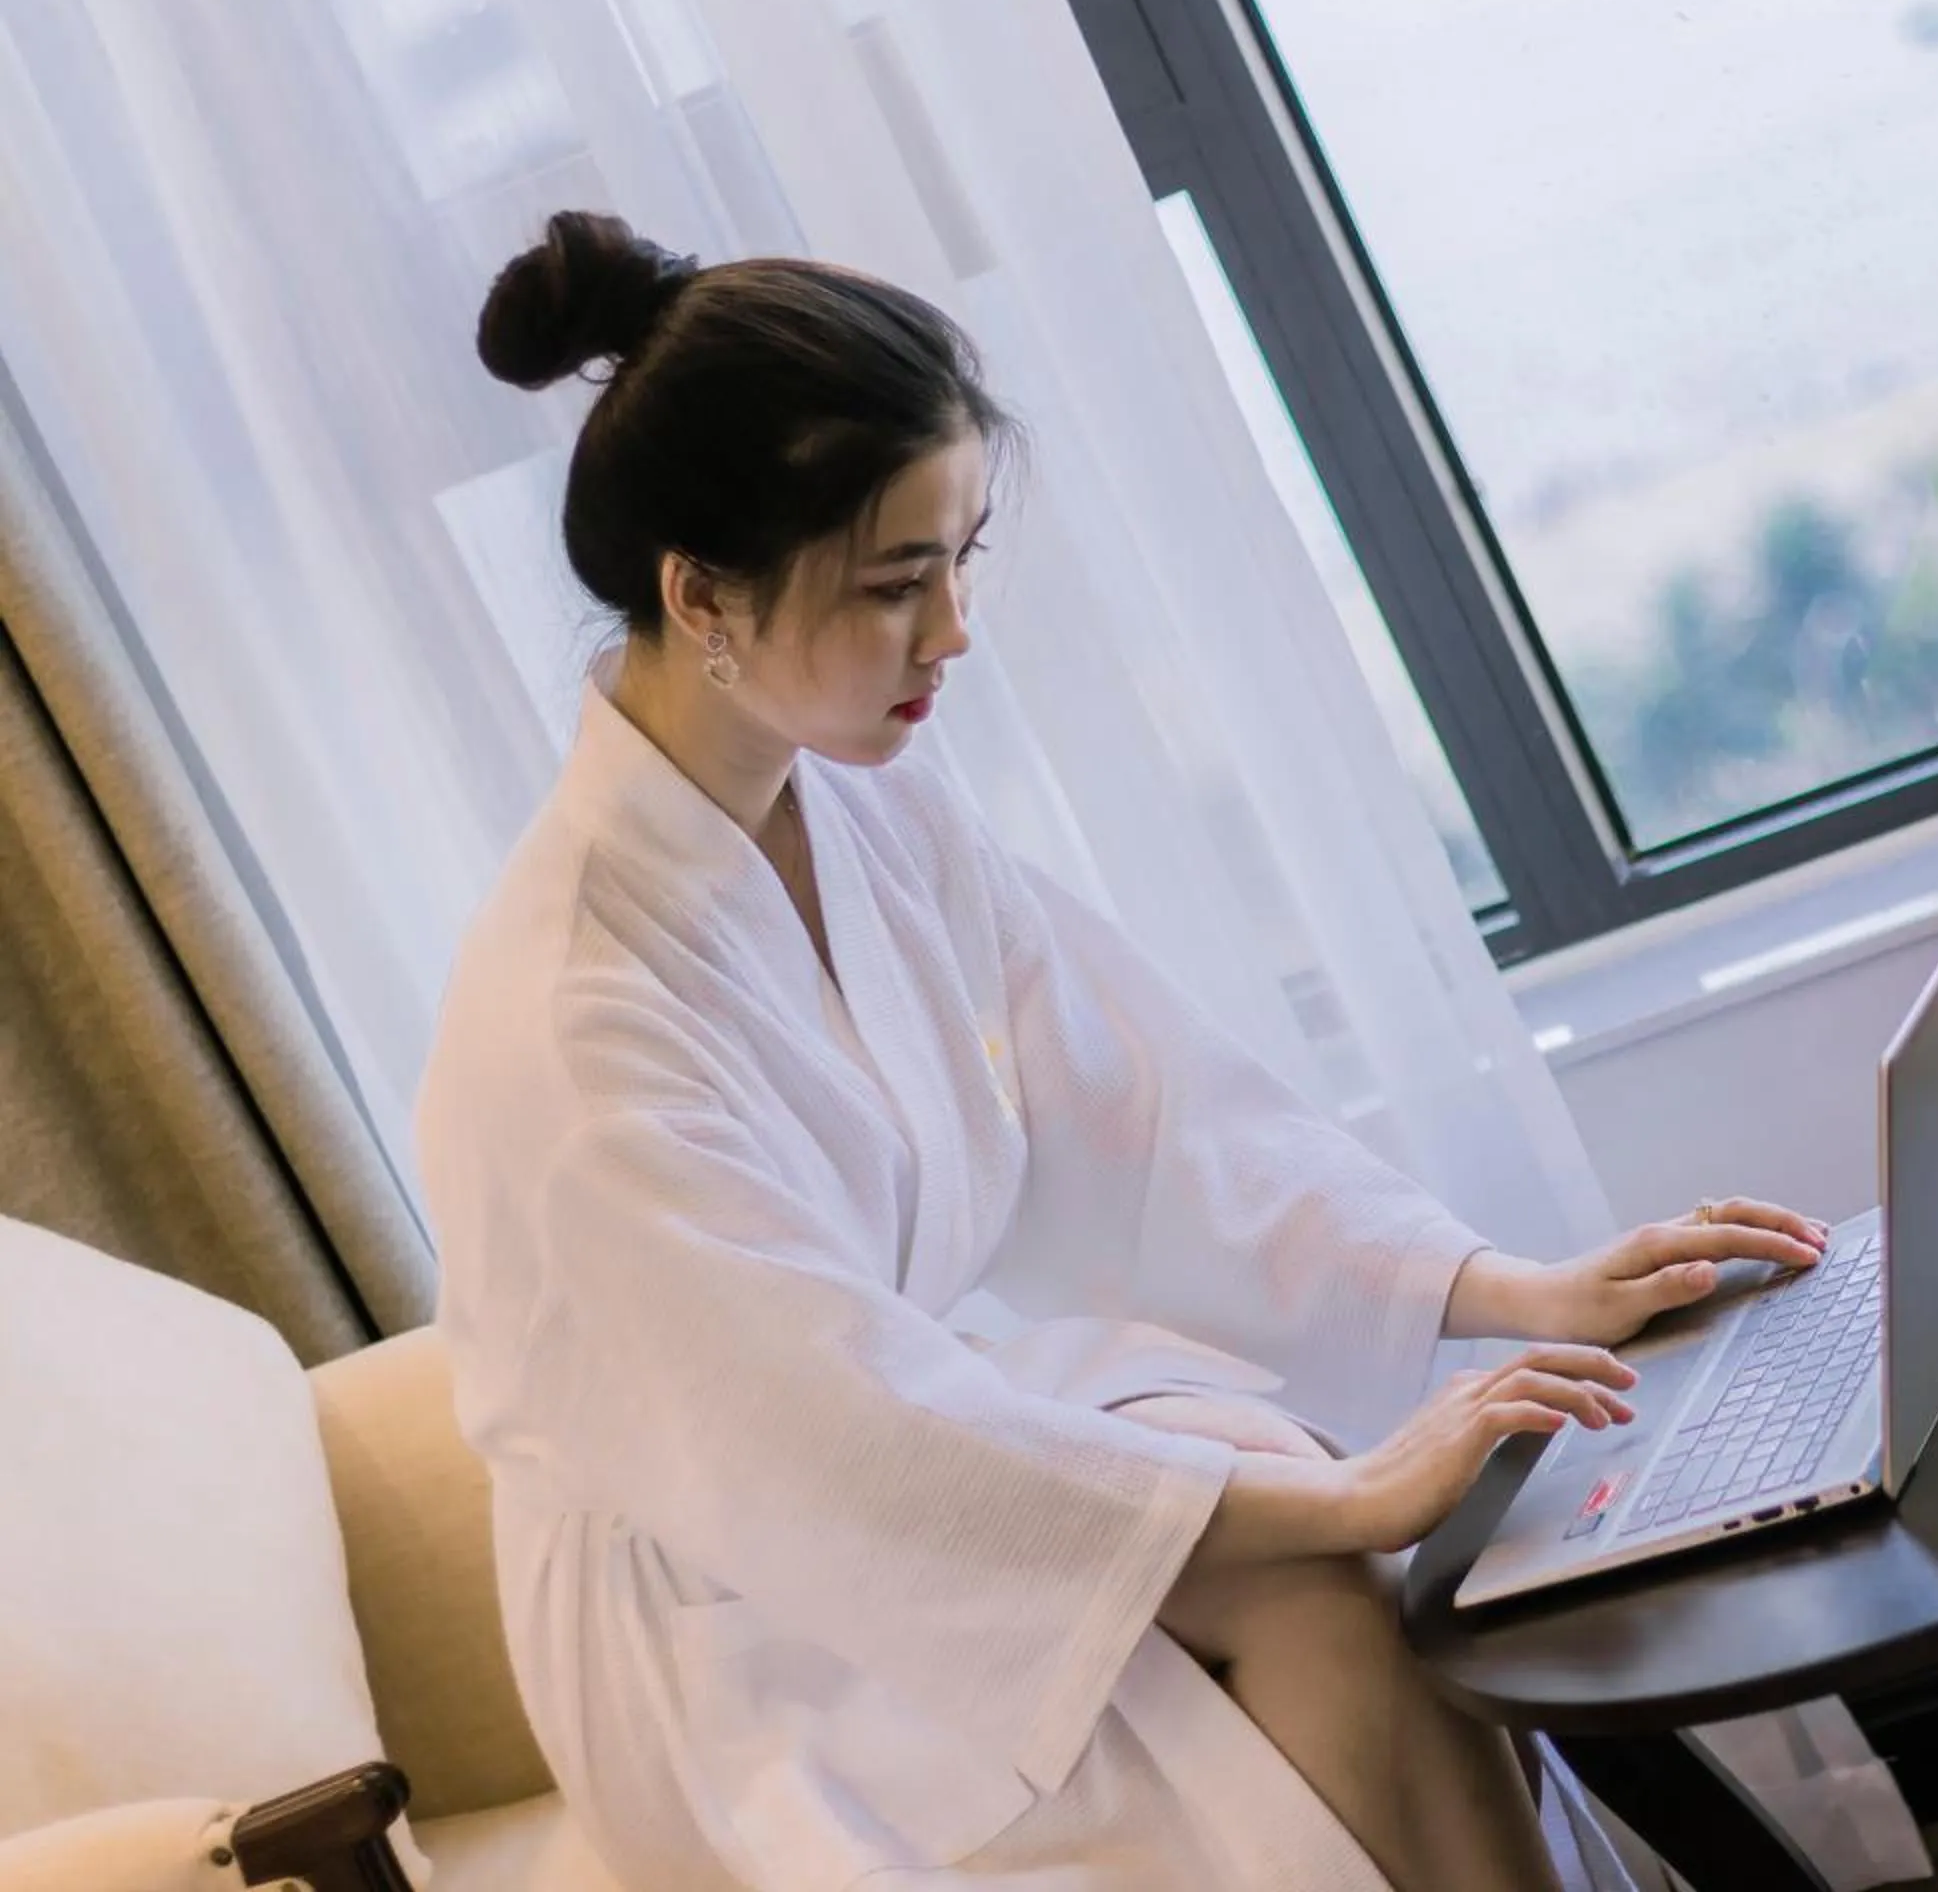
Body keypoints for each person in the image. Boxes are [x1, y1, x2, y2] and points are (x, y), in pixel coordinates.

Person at [415, 212, 1832, 1892]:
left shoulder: (867, 797)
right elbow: (827, 1441)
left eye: (964, 559)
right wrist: (1354, 1498)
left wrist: (1510, 1288)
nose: (952, 636)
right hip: (747, 1601)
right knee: (1338, 1577)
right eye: (895, 583)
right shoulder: (580, 1024)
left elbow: (1144, 1109)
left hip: (917, 1451)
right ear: (701, 599)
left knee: (1346, 1544)